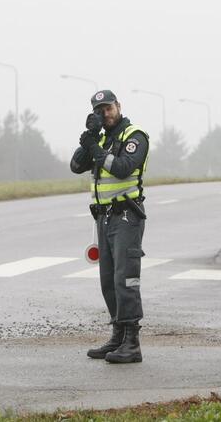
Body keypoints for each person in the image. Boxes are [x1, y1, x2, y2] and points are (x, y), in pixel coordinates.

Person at [70, 89, 149, 364]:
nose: (105, 113)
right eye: (99, 110)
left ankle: (132, 342)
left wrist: (95, 149)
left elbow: (123, 168)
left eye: (108, 108)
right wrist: (89, 140)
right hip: (103, 218)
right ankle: (117, 336)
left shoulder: (135, 136)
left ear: (118, 106)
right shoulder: (101, 138)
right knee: (108, 281)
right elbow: (75, 165)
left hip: (127, 216)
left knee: (125, 278)